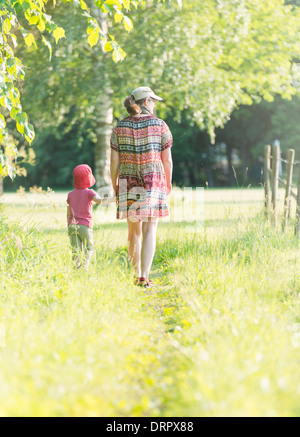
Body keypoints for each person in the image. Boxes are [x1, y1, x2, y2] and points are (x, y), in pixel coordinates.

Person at [110, 86, 173, 288]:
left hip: (127, 182)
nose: (154, 104)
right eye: (153, 101)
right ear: (146, 102)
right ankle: (144, 276)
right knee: (150, 228)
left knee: (133, 231)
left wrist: (114, 184)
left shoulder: (119, 128)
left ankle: (135, 272)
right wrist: (169, 182)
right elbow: (167, 160)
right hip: (153, 180)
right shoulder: (160, 125)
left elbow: (114, 162)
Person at [67, 164, 114, 270]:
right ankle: (85, 266)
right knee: (89, 247)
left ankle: (76, 269)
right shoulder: (89, 192)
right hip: (84, 225)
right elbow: (101, 201)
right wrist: (114, 199)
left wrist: (68, 225)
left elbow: (68, 212)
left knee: (76, 249)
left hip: (72, 226)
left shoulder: (70, 194)